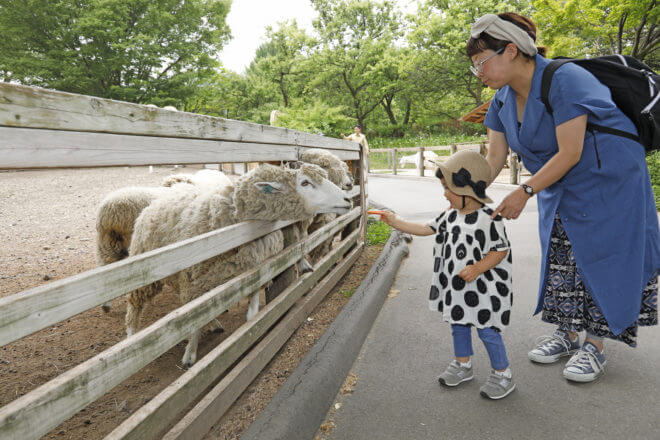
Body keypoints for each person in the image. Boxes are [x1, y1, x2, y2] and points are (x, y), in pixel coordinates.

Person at [467, 12, 659, 382]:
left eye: (481, 62)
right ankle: (567, 334)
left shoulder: (564, 78)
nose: (479, 73)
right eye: (474, 66)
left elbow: (570, 152)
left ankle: (595, 345)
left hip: (610, 181)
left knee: (603, 257)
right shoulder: (502, 102)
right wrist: (467, 192)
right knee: (561, 253)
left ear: (510, 51)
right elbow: (493, 159)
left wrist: (524, 191)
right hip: (558, 183)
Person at [380, 150, 516, 400]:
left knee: (487, 330)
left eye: (448, 188)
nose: (444, 193)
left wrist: (477, 268)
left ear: (468, 190)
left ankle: (503, 373)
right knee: (458, 325)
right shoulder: (449, 215)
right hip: (457, 288)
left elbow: (500, 250)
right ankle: (463, 365)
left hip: (483, 290)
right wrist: (396, 222)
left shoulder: (490, 219)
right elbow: (424, 228)